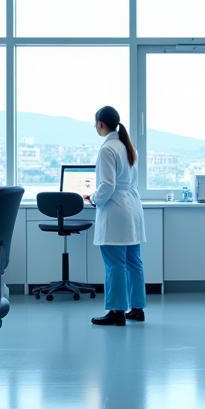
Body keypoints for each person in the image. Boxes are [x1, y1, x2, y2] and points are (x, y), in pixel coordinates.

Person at [88, 105, 146, 327]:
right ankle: (137, 309)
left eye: (96, 124)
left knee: (114, 264)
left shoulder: (107, 149)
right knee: (133, 261)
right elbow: (127, 183)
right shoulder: (128, 147)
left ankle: (116, 311)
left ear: (101, 124)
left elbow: (107, 186)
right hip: (132, 208)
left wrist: (93, 198)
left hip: (116, 211)